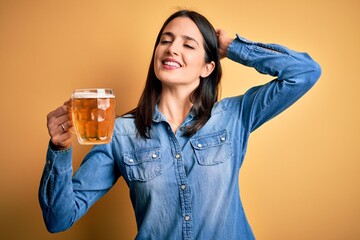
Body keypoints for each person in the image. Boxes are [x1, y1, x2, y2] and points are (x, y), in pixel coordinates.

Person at [39, 10, 321, 240]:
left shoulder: (234, 116)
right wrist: (59, 149)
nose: (172, 49)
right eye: (165, 40)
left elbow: (305, 72)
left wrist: (234, 47)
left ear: (207, 67)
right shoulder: (121, 133)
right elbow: (58, 218)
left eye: (188, 44)